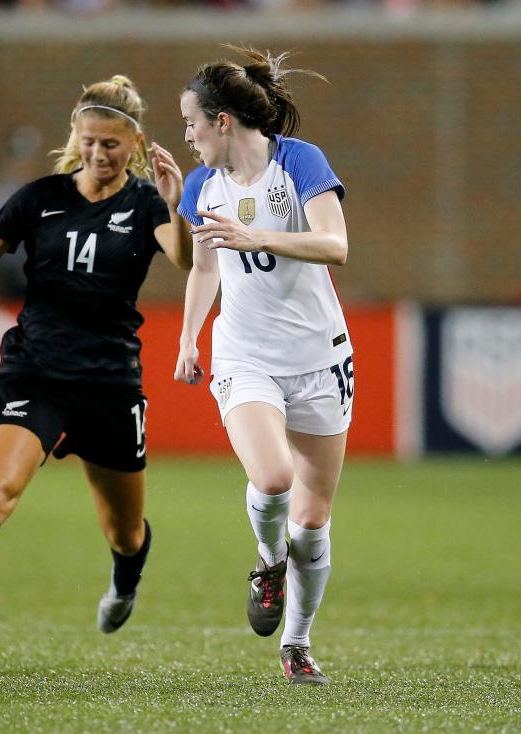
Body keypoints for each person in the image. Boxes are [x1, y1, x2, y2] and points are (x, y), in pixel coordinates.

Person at [0, 75, 193, 639]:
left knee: (124, 531)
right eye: (87, 142)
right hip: (35, 371)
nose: (97, 153)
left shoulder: (144, 204)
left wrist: (175, 205)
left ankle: (124, 583)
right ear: (75, 137)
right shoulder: (40, 198)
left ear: (133, 144)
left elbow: (183, 258)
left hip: (110, 382)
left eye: (110, 144)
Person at [174, 47, 352, 685]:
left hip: (319, 358)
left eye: (192, 124)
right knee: (273, 478)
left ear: (223, 121)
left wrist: (260, 237)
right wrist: (191, 337)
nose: (188, 138)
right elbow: (202, 266)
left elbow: (336, 245)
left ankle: (297, 643)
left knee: (311, 518)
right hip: (244, 353)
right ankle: (265, 561)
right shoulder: (201, 187)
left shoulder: (299, 162)